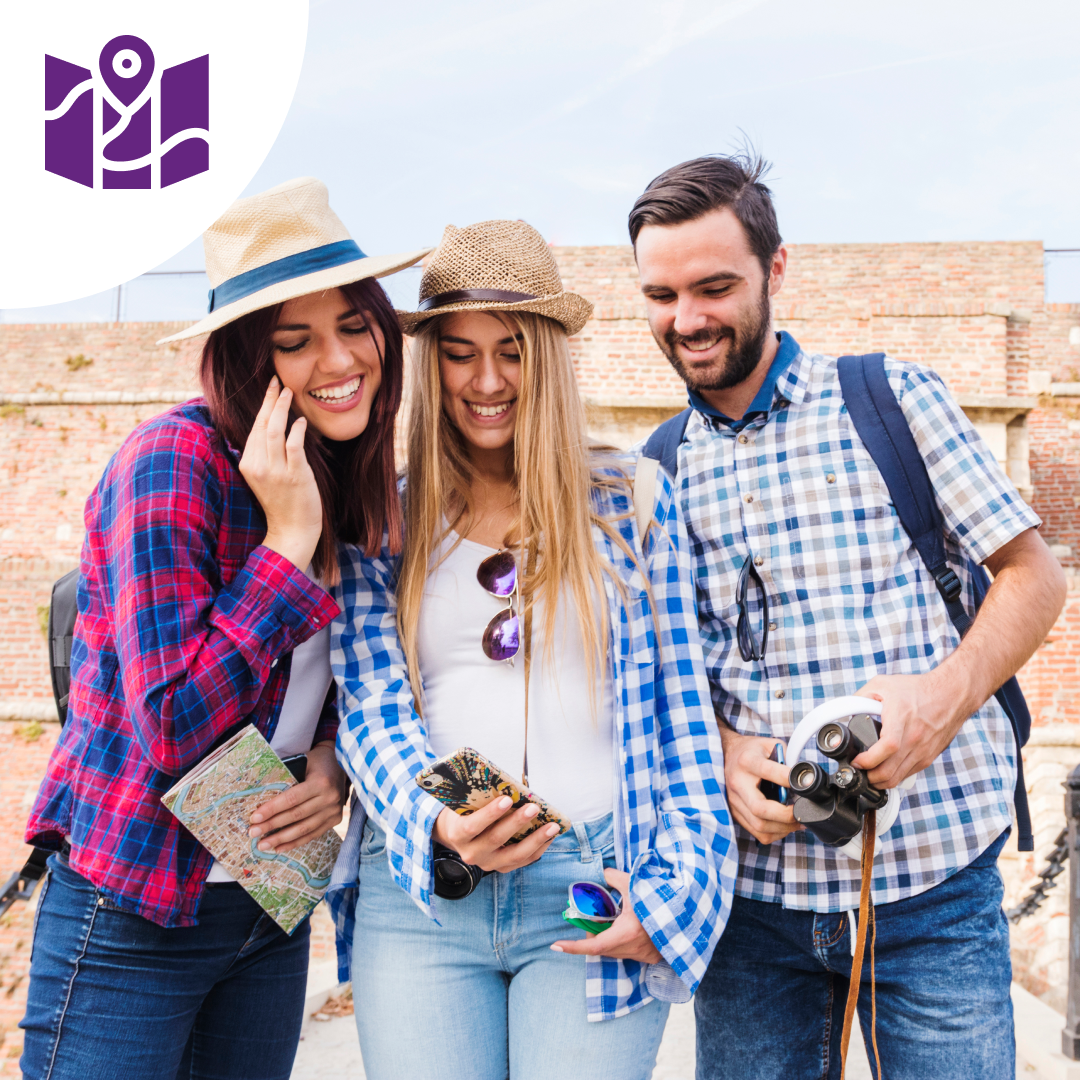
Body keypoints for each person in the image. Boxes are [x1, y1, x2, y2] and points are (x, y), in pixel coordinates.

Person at [628, 152, 1068, 1080]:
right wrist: (721, 754)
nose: (688, 320)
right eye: (662, 295)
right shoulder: (650, 471)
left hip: (934, 889)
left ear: (776, 271)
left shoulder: (891, 399)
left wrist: (938, 702)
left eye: (715, 287)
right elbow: (652, 683)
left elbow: (1033, 578)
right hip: (748, 910)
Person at [19, 177, 428, 1080]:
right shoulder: (172, 463)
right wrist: (284, 545)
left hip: (268, 903)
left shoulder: (348, 477)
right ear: (249, 359)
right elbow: (172, 724)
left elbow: (329, 678)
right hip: (137, 908)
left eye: (354, 326)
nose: (338, 359)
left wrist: (331, 761)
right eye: (296, 341)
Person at [327, 219, 737, 1080]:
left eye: (511, 351)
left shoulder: (632, 500)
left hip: (590, 880)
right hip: (424, 896)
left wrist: (674, 895)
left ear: (546, 358)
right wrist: (434, 819)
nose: (486, 380)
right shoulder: (383, 518)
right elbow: (371, 705)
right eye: (459, 352)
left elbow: (682, 723)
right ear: (430, 363)